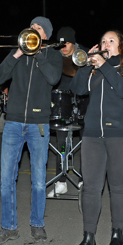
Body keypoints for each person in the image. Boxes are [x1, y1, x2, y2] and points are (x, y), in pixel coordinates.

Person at [0, 17, 63, 245]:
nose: (33, 29)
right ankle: (8, 227)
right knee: (6, 179)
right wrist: (17, 55)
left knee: (39, 179)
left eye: (39, 28)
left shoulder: (52, 55)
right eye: (32, 26)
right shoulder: (17, 54)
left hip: (38, 123)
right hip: (13, 123)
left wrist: (38, 53)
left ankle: (37, 224)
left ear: (46, 36)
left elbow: (53, 78)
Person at [69, 30, 123, 245]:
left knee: (118, 186)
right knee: (91, 187)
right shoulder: (94, 69)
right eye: (102, 41)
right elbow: (78, 90)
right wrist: (85, 65)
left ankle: (117, 235)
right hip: (92, 134)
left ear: (121, 46)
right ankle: (89, 238)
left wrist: (105, 66)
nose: (105, 44)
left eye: (111, 40)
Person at [49, 25, 83, 196]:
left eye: (66, 44)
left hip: (83, 102)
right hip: (62, 103)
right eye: (60, 44)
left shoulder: (82, 54)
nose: (63, 48)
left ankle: (84, 177)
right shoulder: (55, 56)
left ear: (73, 43)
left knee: (87, 143)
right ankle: (61, 181)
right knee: (61, 143)